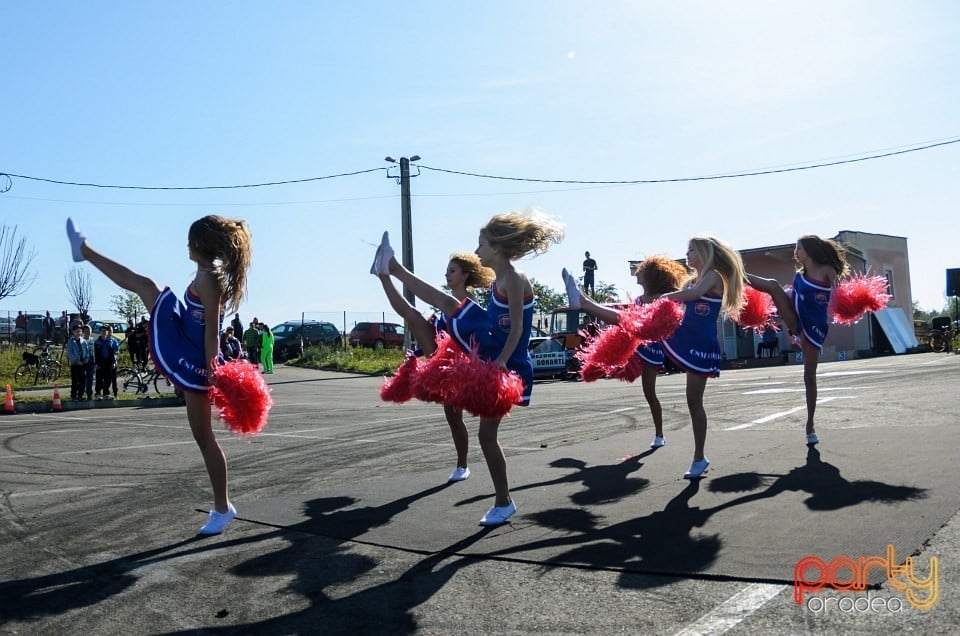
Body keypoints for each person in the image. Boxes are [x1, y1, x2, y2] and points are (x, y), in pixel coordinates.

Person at [371, 210, 564, 525]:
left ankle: (504, 501)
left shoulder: (515, 279)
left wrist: (499, 365)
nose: (476, 252)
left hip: (508, 364)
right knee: (447, 305)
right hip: (489, 348)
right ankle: (391, 267)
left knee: (487, 436)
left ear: (497, 247)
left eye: (481, 245)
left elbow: (517, 330)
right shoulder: (499, 280)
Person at [66, 214, 252, 535]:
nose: (185, 246)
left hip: (195, 356)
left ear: (200, 246)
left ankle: (223, 508)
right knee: (144, 284)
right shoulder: (208, 272)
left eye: (189, 241)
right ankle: (84, 251)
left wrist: (212, 370)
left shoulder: (210, 279)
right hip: (184, 332)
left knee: (204, 439)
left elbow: (211, 333)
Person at [375, 251, 495, 483]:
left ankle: (462, 464)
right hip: (443, 358)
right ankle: (383, 275)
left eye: (452, 271)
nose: (447, 275)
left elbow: (466, 332)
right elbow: (441, 329)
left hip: (464, 363)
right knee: (413, 315)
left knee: (457, 416)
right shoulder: (447, 302)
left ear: (465, 275)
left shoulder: (468, 302)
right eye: (447, 271)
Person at [562, 255, 690, 449]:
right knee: (617, 336)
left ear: (651, 277)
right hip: (635, 342)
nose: (637, 277)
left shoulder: (662, 299)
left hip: (651, 347)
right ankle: (583, 301)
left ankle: (659, 434)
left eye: (641, 274)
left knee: (649, 393)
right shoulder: (639, 299)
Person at [747, 235, 849, 446]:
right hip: (796, 320)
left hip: (814, 327)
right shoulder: (799, 276)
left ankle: (810, 424)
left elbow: (840, 295)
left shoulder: (826, 270)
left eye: (799, 248)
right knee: (773, 286)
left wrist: (850, 303)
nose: (796, 252)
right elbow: (793, 300)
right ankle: (735, 274)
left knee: (809, 377)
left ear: (810, 250)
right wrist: (784, 322)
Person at [94, 324, 120, 399]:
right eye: (102, 331)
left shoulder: (110, 341)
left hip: (109, 362)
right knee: (99, 378)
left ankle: (106, 393)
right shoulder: (97, 342)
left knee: (108, 378)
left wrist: (113, 362)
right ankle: (97, 393)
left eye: (105, 331)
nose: (104, 332)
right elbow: (95, 353)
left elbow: (114, 353)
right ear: (99, 332)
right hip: (100, 362)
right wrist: (96, 363)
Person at [65, 323, 88, 401]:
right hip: (75, 364)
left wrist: (86, 359)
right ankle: (74, 396)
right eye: (77, 331)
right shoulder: (70, 342)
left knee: (83, 380)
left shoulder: (84, 341)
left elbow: (87, 351)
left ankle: (80, 395)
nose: (79, 333)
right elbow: (70, 353)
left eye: (80, 331)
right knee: (75, 380)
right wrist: (76, 361)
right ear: (73, 332)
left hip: (83, 363)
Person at [82, 324, 96, 401]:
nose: (88, 333)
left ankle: (89, 393)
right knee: (83, 377)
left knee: (90, 377)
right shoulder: (81, 340)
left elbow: (95, 351)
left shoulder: (93, 340)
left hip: (91, 360)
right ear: (83, 332)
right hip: (83, 360)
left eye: (89, 331)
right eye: (86, 331)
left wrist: (95, 361)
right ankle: (81, 393)